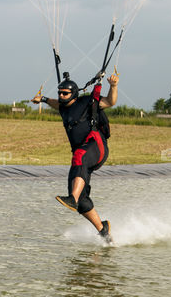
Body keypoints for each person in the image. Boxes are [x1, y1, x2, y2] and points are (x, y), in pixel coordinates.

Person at [33, 70, 118, 244]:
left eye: (65, 93)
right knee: (82, 201)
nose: (61, 96)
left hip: (96, 147)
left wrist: (113, 86)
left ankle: (72, 198)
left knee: (79, 158)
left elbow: (110, 102)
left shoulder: (87, 101)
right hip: (81, 154)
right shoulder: (63, 108)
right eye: (59, 93)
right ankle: (103, 231)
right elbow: (56, 103)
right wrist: (42, 99)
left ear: (74, 94)